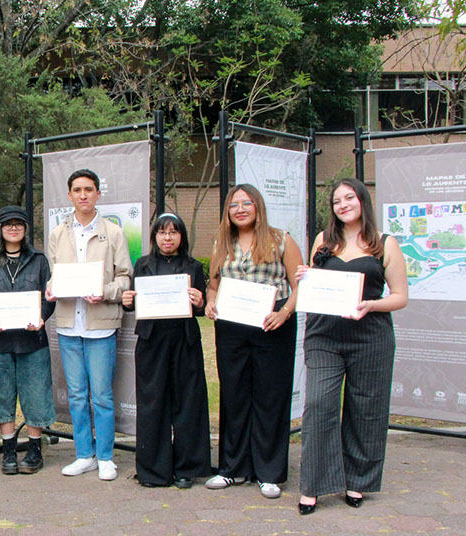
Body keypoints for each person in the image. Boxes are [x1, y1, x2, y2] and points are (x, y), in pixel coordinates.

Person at [295, 178, 408, 515]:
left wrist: (372, 305)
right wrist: (305, 276)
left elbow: (400, 296)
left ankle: (357, 479)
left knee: (366, 408)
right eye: (336, 201)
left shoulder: (384, 244)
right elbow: (315, 285)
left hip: (370, 336)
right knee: (319, 405)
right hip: (324, 335)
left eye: (349, 198)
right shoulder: (323, 240)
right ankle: (313, 486)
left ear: (362, 200)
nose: (342, 205)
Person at [204, 184, 303, 499]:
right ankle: (233, 468)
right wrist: (210, 302)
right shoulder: (221, 242)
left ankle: (269, 472)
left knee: (270, 397)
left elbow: (300, 284)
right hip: (232, 328)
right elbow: (213, 286)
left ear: (258, 206)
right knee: (234, 396)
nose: (240, 209)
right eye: (234, 205)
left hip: (272, 326)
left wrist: (284, 313)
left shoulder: (281, 239)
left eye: (246, 203)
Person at [45, 169, 132, 481]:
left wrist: (105, 292)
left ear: (98, 194)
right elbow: (55, 275)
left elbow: (125, 278)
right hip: (68, 325)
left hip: (101, 325)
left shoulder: (114, 233)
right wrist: (51, 288)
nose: (83, 195)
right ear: (69, 195)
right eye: (77, 190)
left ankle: (105, 456)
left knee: (102, 396)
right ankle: (84, 455)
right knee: (77, 395)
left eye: (89, 189)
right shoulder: (57, 234)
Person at [121, 212, 210, 489]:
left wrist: (200, 302)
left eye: (173, 232)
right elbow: (134, 303)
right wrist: (127, 301)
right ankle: (153, 471)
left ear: (181, 236)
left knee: (187, 403)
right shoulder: (143, 265)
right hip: (152, 342)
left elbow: (201, 309)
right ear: (154, 236)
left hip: (185, 341)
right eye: (162, 232)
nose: (167, 238)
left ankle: (186, 468)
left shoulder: (193, 267)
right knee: (152, 404)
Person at [0, 206, 55, 475]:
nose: (13, 228)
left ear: (25, 229)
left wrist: (42, 316)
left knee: (36, 395)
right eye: (8, 224)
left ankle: (34, 451)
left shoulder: (39, 260)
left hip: (33, 341)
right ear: (0, 229)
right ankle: (8, 450)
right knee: (1, 396)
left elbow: (49, 296)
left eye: (18, 224)